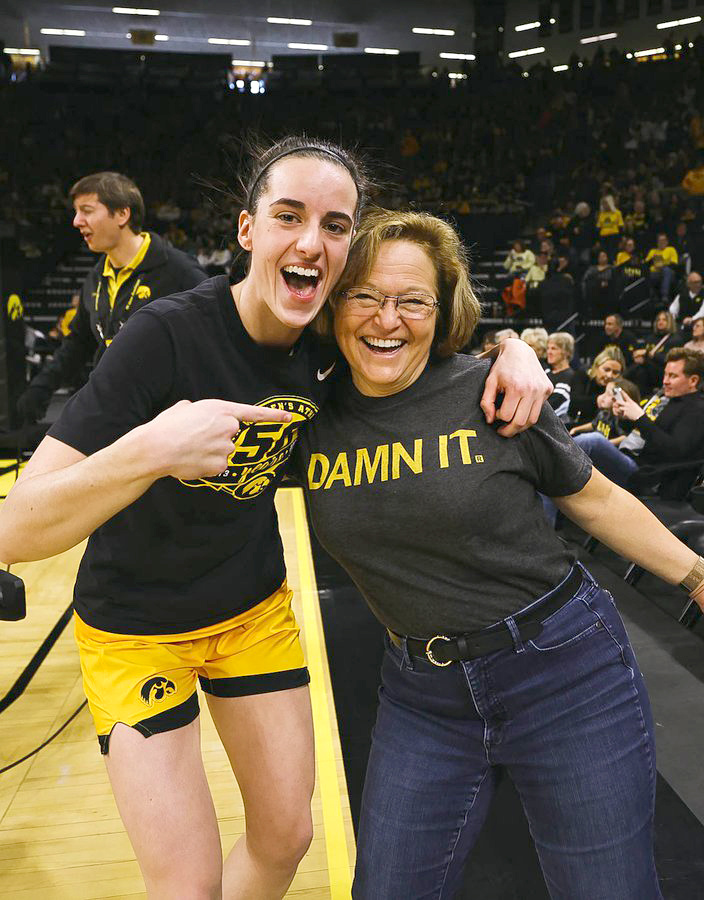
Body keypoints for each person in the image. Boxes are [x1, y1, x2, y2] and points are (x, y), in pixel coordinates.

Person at [0, 138, 551, 899]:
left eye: (335, 224)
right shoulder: (164, 335)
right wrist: (154, 448)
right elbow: (18, 530)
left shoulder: (331, 340)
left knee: (287, 837)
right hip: (134, 630)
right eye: (289, 215)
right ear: (248, 229)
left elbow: (431, 346)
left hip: (251, 611)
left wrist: (516, 348)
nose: (311, 240)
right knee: (186, 886)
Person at [294, 209, 704, 899]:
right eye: (364, 296)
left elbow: (595, 498)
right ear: (334, 303)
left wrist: (695, 576)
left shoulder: (490, 391)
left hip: (568, 673)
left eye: (412, 300)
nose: (386, 319)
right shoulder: (307, 415)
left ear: (443, 308)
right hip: (421, 697)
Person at [17, 172, 207, 425]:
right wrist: (42, 386)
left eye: (86, 210)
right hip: (110, 409)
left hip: (164, 419)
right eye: (76, 211)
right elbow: (78, 344)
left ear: (122, 214)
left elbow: (212, 342)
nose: (76, 221)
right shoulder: (96, 277)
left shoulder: (181, 272)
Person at [574, 347, 704, 499]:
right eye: (665, 374)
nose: (665, 381)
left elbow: (675, 451)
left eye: (673, 376)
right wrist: (625, 417)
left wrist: (640, 418)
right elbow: (644, 432)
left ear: (693, 380)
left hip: (647, 475)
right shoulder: (667, 398)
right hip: (631, 458)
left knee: (592, 441)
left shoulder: (697, 409)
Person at [569, 377, 641, 442]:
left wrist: (606, 444)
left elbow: (625, 437)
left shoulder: (624, 420)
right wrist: (576, 429)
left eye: (608, 394)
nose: (602, 397)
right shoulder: (605, 413)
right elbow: (594, 424)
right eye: (604, 392)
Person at [570, 346, 624, 423]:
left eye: (615, 372)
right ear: (596, 367)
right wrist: (599, 400)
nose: (610, 375)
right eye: (606, 370)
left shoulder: (619, 388)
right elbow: (575, 402)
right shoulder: (582, 375)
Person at [544, 331, 575, 420]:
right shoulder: (546, 372)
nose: (549, 352)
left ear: (566, 352)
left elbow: (554, 404)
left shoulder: (569, 376)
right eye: (548, 348)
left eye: (554, 348)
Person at [645, 232, 679, 301]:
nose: (662, 242)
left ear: (667, 241)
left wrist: (663, 265)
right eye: (660, 241)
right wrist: (652, 259)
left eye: (664, 240)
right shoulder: (653, 251)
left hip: (668, 272)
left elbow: (674, 264)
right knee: (645, 273)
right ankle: (651, 297)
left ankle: (664, 296)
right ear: (657, 242)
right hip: (654, 273)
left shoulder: (671, 249)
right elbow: (646, 264)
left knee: (666, 270)